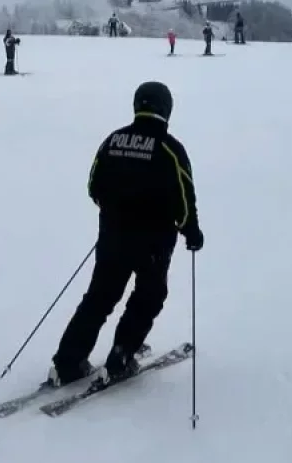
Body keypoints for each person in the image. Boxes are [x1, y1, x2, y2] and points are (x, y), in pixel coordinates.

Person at [49, 81, 204, 386]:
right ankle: (121, 356)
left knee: (100, 297)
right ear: (166, 108)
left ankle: (67, 361)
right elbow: (184, 197)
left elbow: (94, 186)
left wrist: (115, 211)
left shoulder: (113, 140)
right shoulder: (169, 148)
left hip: (112, 236)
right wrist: (191, 231)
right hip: (154, 241)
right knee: (149, 295)